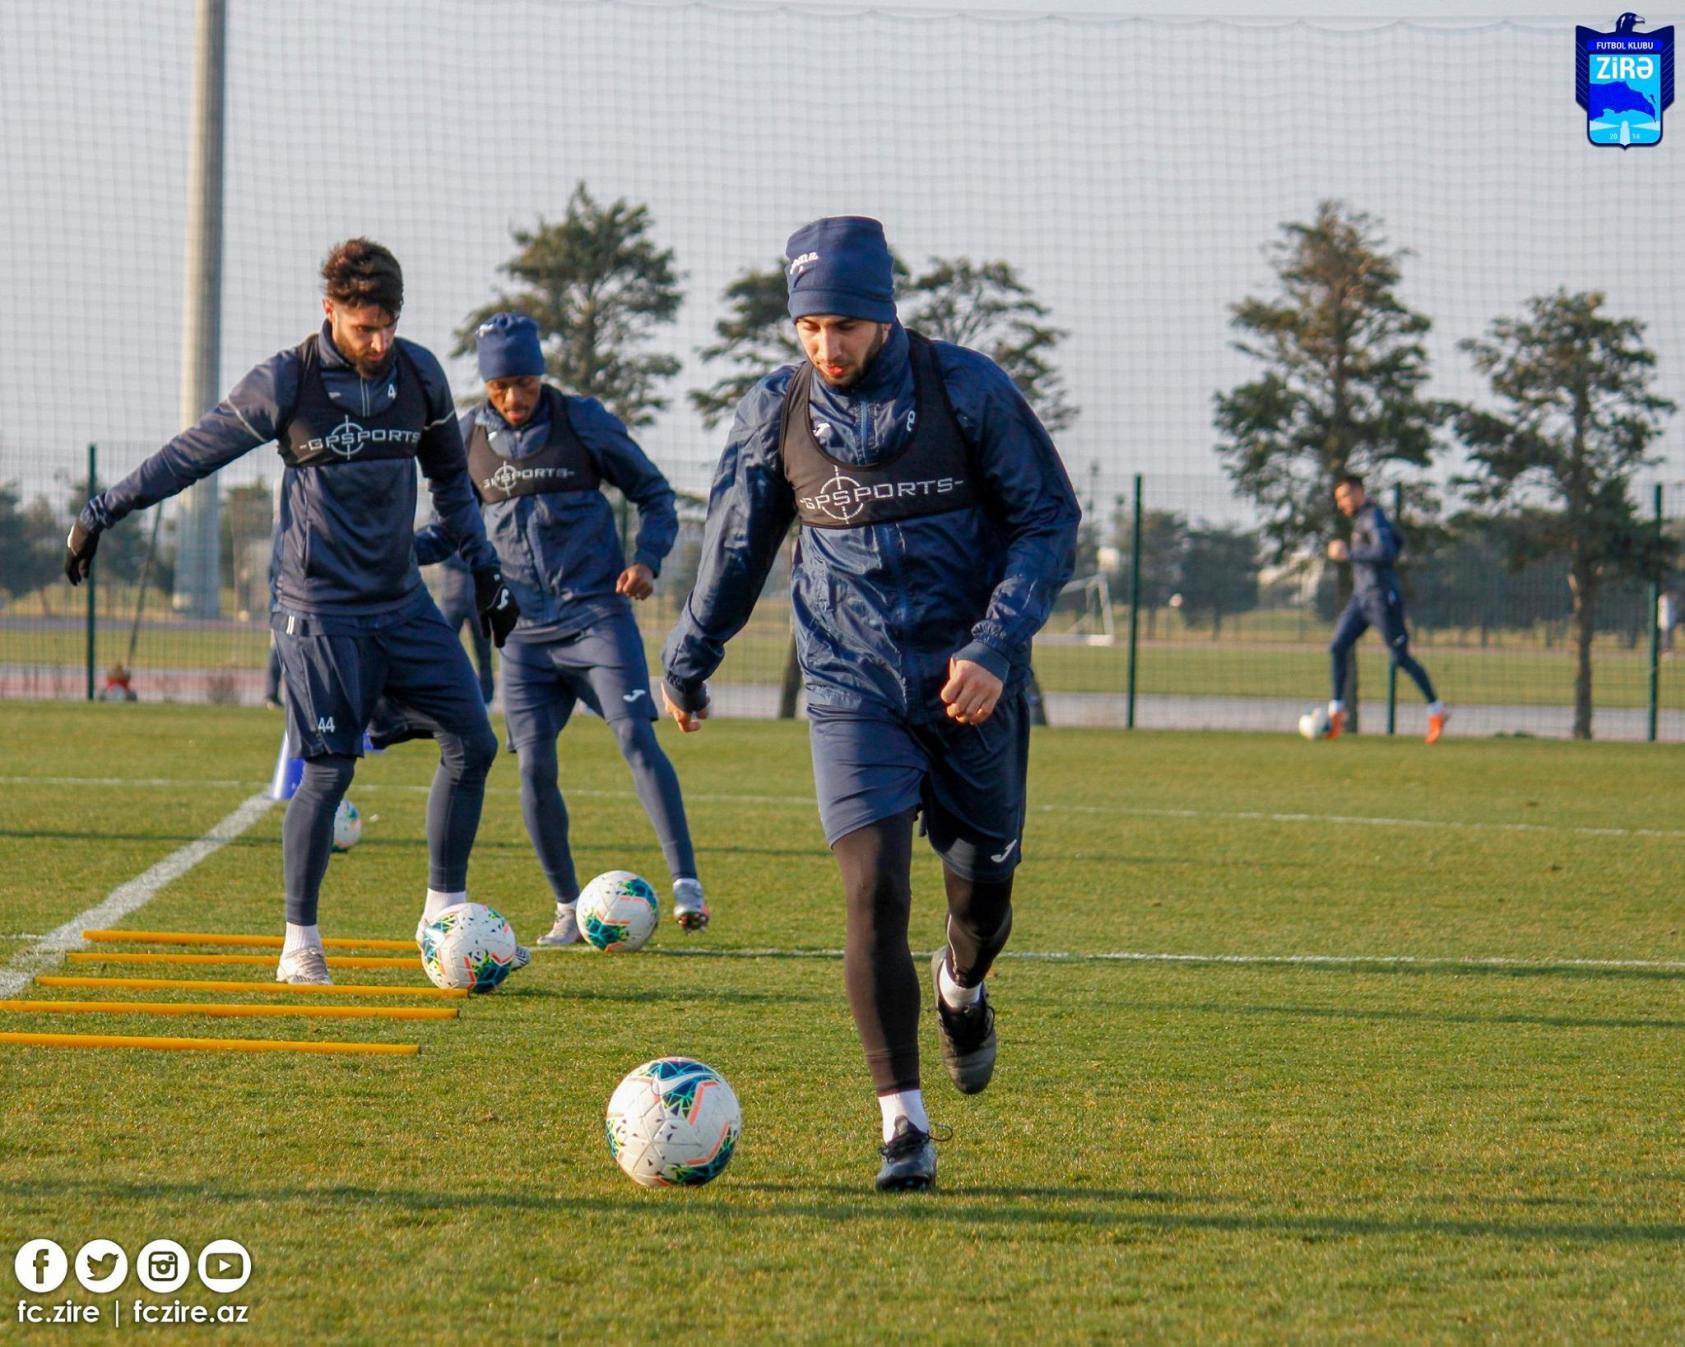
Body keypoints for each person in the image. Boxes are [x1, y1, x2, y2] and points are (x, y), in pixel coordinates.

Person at [660, 217, 1079, 1190]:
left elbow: (1046, 519)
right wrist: (689, 659)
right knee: (872, 889)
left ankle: (960, 987)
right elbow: (735, 546)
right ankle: (903, 1125)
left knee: (981, 898)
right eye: (808, 328)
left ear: (883, 314)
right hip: (849, 685)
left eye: (842, 326)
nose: (825, 347)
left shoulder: (967, 390)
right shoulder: (776, 410)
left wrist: (993, 645)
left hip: (970, 687)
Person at [65, 238, 525, 985]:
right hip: (320, 613)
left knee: (473, 742)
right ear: (329, 311)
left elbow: (451, 485)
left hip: (402, 604)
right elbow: (190, 454)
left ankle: (443, 917)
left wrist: (488, 574)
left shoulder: (420, 376)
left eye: (389, 326)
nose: (378, 343)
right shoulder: (288, 380)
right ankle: (300, 943)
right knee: (328, 771)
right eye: (363, 328)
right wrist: (101, 511)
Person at [417, 313, 707, 943]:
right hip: (521, 634)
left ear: (540, 374)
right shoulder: (466, 440)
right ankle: (568, 909)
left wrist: (647, 560)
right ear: (485, 386)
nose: (513, 398)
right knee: (532, 768)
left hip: (596, 616)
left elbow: (655, 495)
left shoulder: (583, 422)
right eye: (500, 388)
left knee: (635, 736)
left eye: (523, 383)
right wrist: (394, 550)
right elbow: (449, 530)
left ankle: (686, 883)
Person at [1325, 474, 1447, 743]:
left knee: (1400, 657)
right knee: (1337, 646)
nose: (1342, 504)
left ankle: (1437, 710)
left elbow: (1387, 552)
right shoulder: (1364, 519)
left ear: (1358, 492)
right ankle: (1337, 712)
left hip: (1381, 598)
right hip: (1361, 598)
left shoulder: (1372, 517)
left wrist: (1348, 554)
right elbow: (1398, 541)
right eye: (1339, 499)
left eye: (1344, 497)